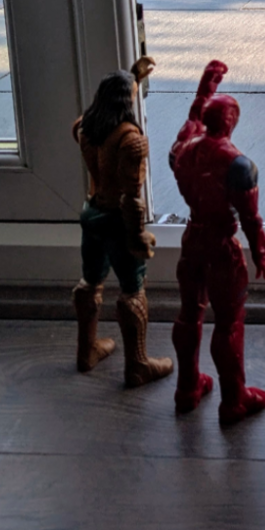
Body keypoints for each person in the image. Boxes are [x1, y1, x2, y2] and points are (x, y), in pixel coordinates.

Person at [169, 60, 265, 426]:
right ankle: (234, 399)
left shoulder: (184, 150)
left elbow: (192, 123)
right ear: (230, 122)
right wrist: (262, 251)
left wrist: (205, 89)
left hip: (192, 238)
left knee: (189, 312)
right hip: (220, 245)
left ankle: (187, 387)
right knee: (229, 321)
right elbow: (250, 218)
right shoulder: (237, 164)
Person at [71, 54, 173, 388]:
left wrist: (131, 78)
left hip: (91, 215)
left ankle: (86, 352)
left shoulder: (84, 127)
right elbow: (131, 197)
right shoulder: (131, 141)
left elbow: (105, 108)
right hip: (116, 220)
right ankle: (138, 365)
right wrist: (137, 235)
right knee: (132, 291)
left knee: (90, 282)